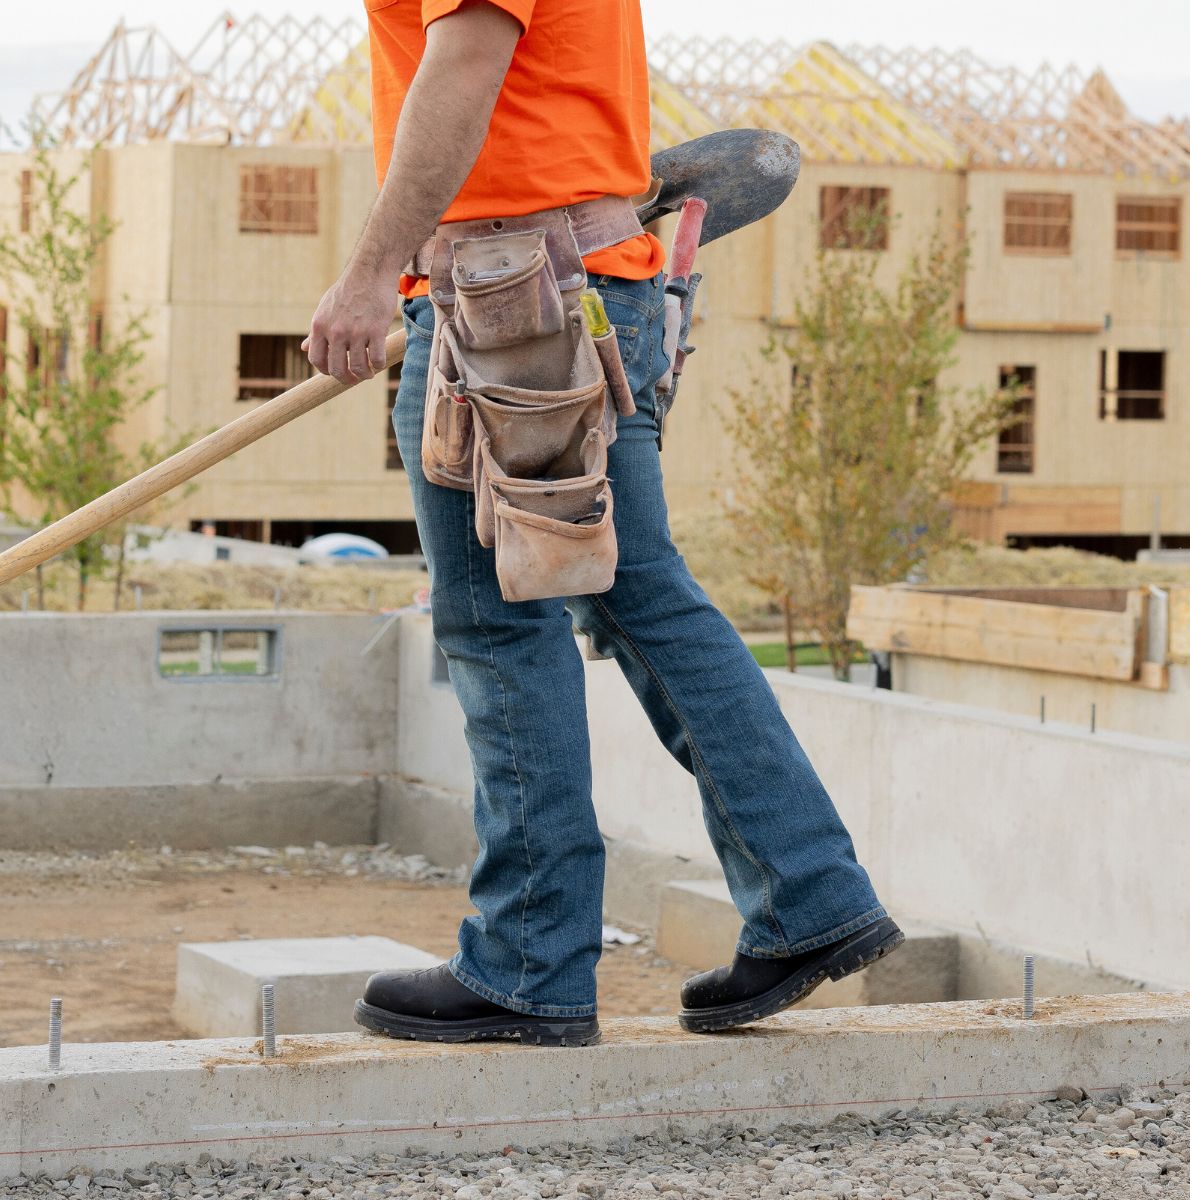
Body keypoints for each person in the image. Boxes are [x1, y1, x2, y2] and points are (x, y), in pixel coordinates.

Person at [304, 0, 901, 1047]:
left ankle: (528, 963)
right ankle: (809, 892)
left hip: (505, 298)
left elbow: (467, 61)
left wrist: (366, 275)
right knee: (644, 599)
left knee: (502, 624)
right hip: (560, 280)